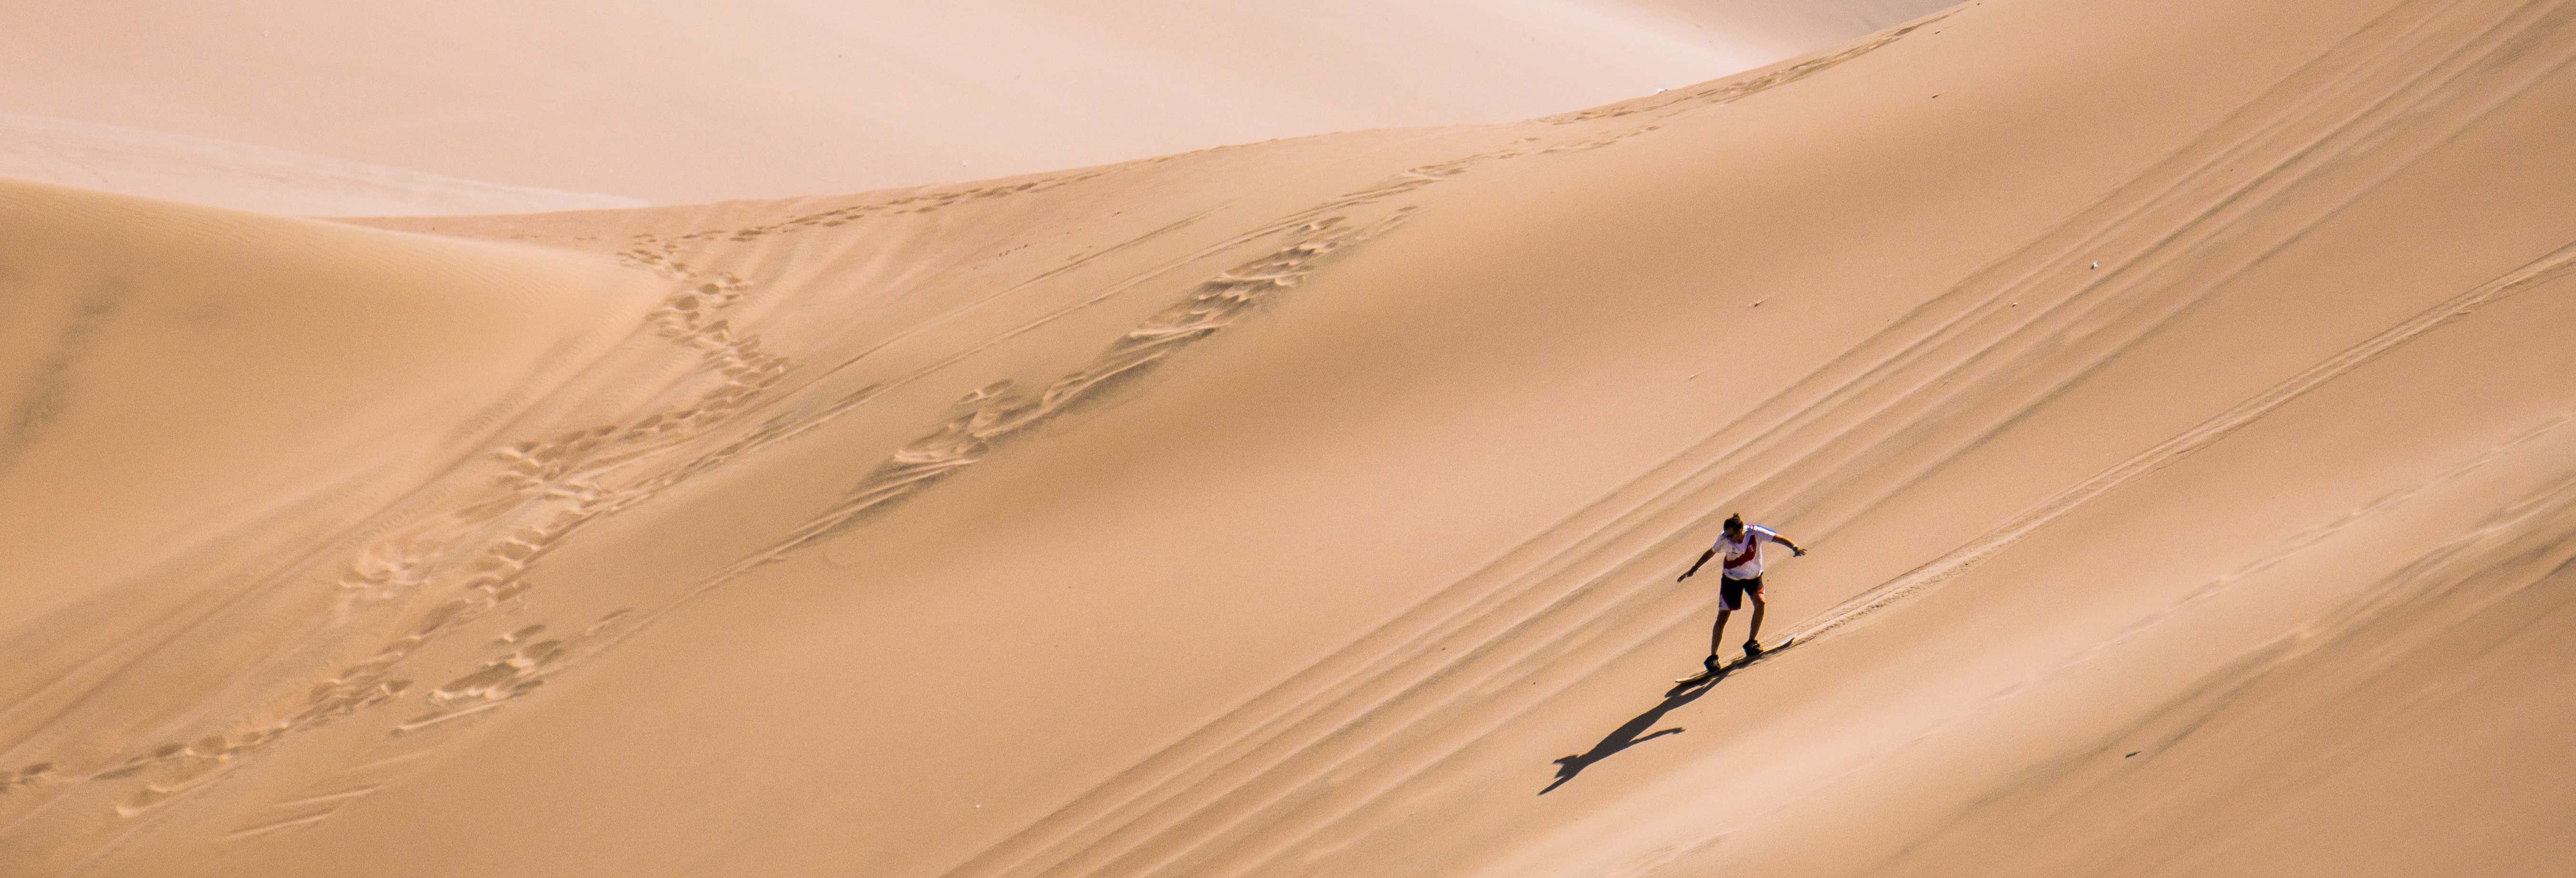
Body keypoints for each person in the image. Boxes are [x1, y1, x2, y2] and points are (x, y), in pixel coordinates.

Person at [1676, 513, 1806, 675]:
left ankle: (1752, 643)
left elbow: (1777, 538)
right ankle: (1713, 658)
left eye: (1731, 535)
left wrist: (1794, 547)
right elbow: (1710, 553)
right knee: (1723, 616)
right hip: (1731, 579)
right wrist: (1694, 569)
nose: (1728, 538)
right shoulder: (1724, 539)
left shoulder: (1755, 532)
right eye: (1726, 535)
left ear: (1740, 531)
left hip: (1753, 577)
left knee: (1761, 603)